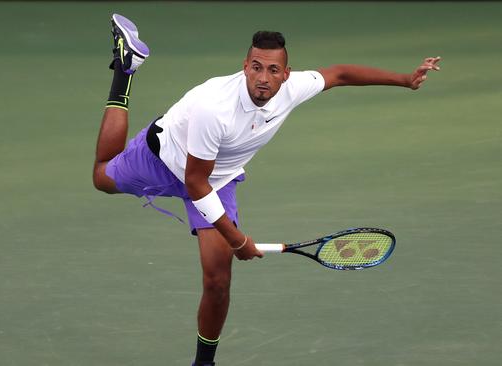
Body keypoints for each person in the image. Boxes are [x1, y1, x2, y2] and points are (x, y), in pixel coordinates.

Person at [92, 14, 440, 366]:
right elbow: (194, 183)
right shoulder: (214, 108)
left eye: (273, 70)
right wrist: (237, 240)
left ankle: (204, 363)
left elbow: (340, 74)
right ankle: (125, 70)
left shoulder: (292, 89)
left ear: (285, 74)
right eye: (256, 68)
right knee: (102, 176)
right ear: (245, 66)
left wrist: (405, 80)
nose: (263, 78)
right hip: (163, 161)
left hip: (218, 177)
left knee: (217, 281)